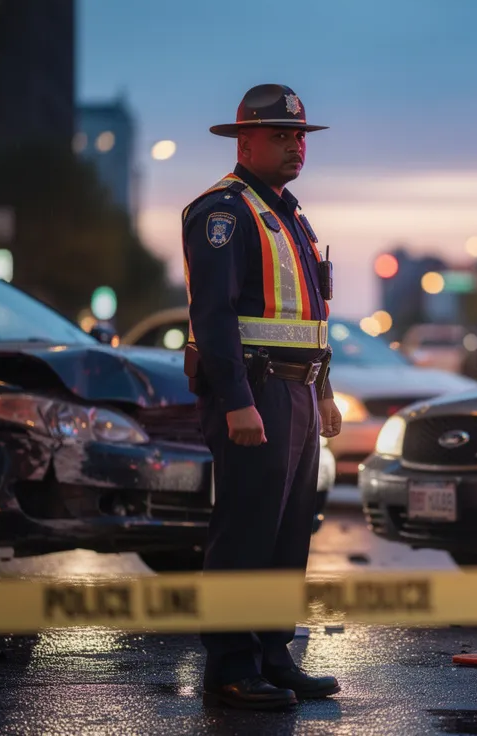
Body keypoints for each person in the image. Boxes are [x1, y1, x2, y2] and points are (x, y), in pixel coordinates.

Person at [180, 83, 344, 711]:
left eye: (300, 135)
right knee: (246, 529)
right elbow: (215, 317)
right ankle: (228, 665)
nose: (295, 146)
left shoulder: (289, 214)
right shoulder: (222, 212)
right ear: (243, 139)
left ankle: (274, 656)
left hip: (296, 393)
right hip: (257, 392)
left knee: (286, 535)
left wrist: (324, 391)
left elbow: (307, 317)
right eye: (280, 135)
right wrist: (236, 401)